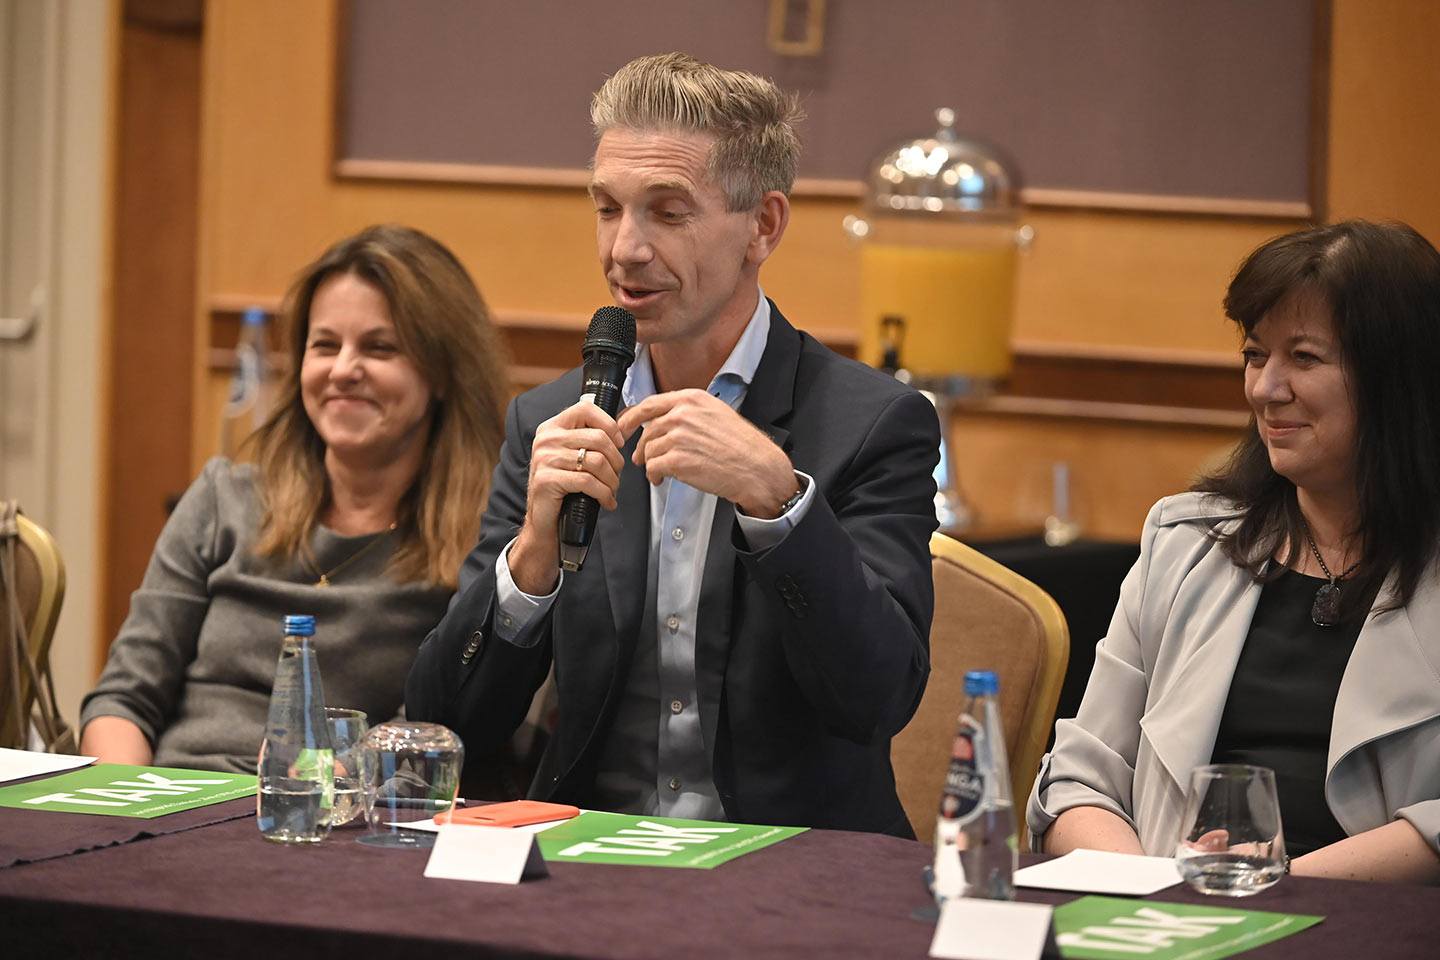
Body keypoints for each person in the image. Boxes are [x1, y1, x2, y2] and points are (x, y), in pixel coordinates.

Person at [406, 53, 940, 836]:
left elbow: (878, 698)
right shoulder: (549, 421)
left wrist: (780, 505)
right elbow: (447, 725)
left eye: (667, 212)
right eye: (607, 209)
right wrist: (531, 562)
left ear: (763, 225)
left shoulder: (872, 423)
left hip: (793, 863)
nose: (625, 249)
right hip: (592, 852)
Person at [1027, 220, 1440, 884]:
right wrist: (1157, 892)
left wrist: (1275, 884)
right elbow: (1079, 778)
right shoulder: (1186, 544)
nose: (1265, 388)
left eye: (1304, 358)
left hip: (1368, 919)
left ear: (1398, 377)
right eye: (1255, 355)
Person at [80, 225, 509, 773]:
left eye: (379, 348)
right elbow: (123, 701)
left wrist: (318, 788)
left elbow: (429, 741)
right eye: (324, 345)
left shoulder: (482, 540)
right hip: (167, 792)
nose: (343, 370)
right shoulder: (223, 500)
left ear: (443, 374)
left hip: (334, 809)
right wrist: (125, 802)